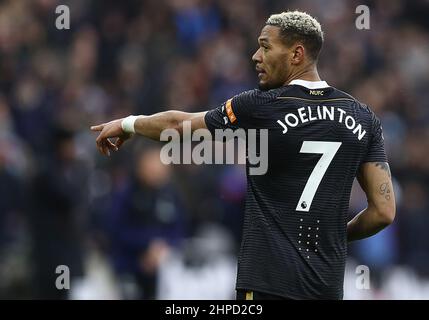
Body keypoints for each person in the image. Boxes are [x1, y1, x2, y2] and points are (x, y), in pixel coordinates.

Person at [90, 11, 396, 300]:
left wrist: (129, 124)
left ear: (297, 54)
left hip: (267, 283)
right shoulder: (363, 117)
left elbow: (176, 124)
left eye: (265, 47)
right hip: (326, 285)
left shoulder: (263, 104)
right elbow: (383, 211)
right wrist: (334, 236)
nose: (256, 56)